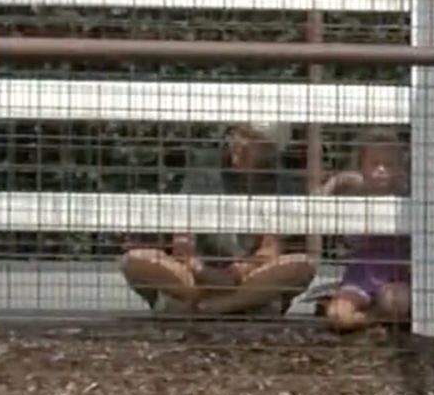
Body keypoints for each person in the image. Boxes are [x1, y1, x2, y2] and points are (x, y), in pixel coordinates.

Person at [120, 121, 318, 317]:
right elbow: (182, 239)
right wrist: (201, 269)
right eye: (240, 135)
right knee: (135, 260)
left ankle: (210, 306)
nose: (241, 144)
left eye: (254, 141)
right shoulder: (205, 170)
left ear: (271, 151)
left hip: (247, 276)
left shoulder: (280, 182)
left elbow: (270, 248)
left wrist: (240, 271)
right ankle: (239, 303)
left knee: (302, 265)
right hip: (195, 273)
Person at [310, 130, 413, 333]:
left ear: (400, 168)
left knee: (397, 303)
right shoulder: (354, 196)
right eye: (374, 164)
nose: (381, 170)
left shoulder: (405, 195)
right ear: (362, 167)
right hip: (361, 274)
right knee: (338, 315)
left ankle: (372, 317)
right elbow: (325, 192)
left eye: (389, 164)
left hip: (396, 274)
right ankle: (372, 320)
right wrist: (334, 182)